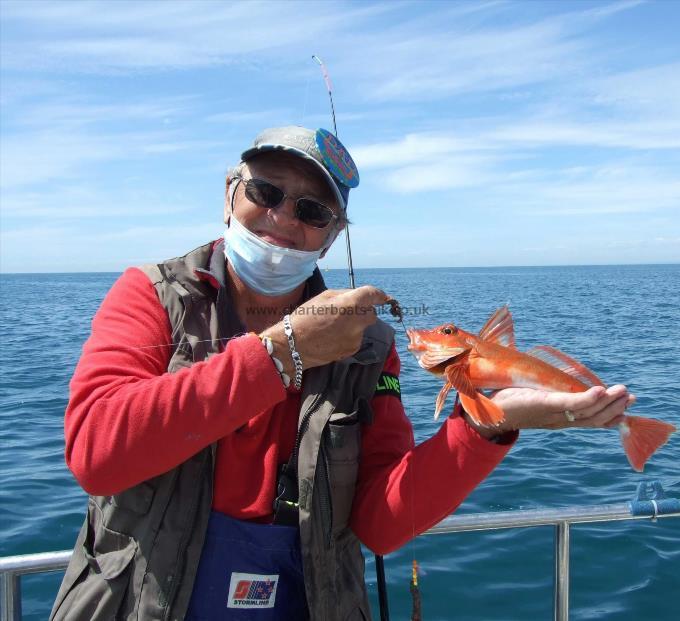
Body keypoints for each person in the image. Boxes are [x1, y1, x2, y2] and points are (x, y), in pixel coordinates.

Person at [50, 126, 633, 621]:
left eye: (312, 211)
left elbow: (380, 523)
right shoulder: (150, 295)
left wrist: (485, 426)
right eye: (265, 190)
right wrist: (282, 354)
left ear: (332, 238)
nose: (282, 217)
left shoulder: (369, 344)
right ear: (230, 193)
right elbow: (96, 454)